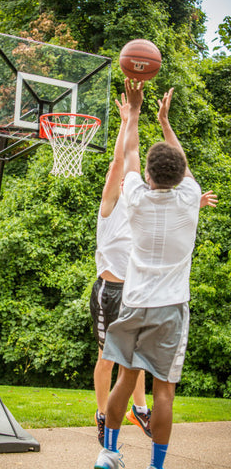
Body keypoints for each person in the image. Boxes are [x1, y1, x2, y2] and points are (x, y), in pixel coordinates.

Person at [91, 88, 218, 451]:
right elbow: (179, 162)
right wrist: (164, 121)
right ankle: (156, 464)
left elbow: (128, 154)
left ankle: (109, 452)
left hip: (134, 300)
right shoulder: (190, 197)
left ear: (147, 175)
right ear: (181, 177)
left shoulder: (135, 195)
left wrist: (133, 112)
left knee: (126, 378)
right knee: (163, 390)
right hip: (171, 306)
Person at [90, 95, 151, 447]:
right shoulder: (111, 205)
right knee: (107, 359)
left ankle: (138, 409)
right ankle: (102, 415)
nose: (131, 176)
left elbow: (133, 156)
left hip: (135, 293)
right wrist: (127, 120)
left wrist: (137, 117)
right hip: (109, 292)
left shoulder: (140, 205)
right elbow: (120, 160)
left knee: (137, 355)